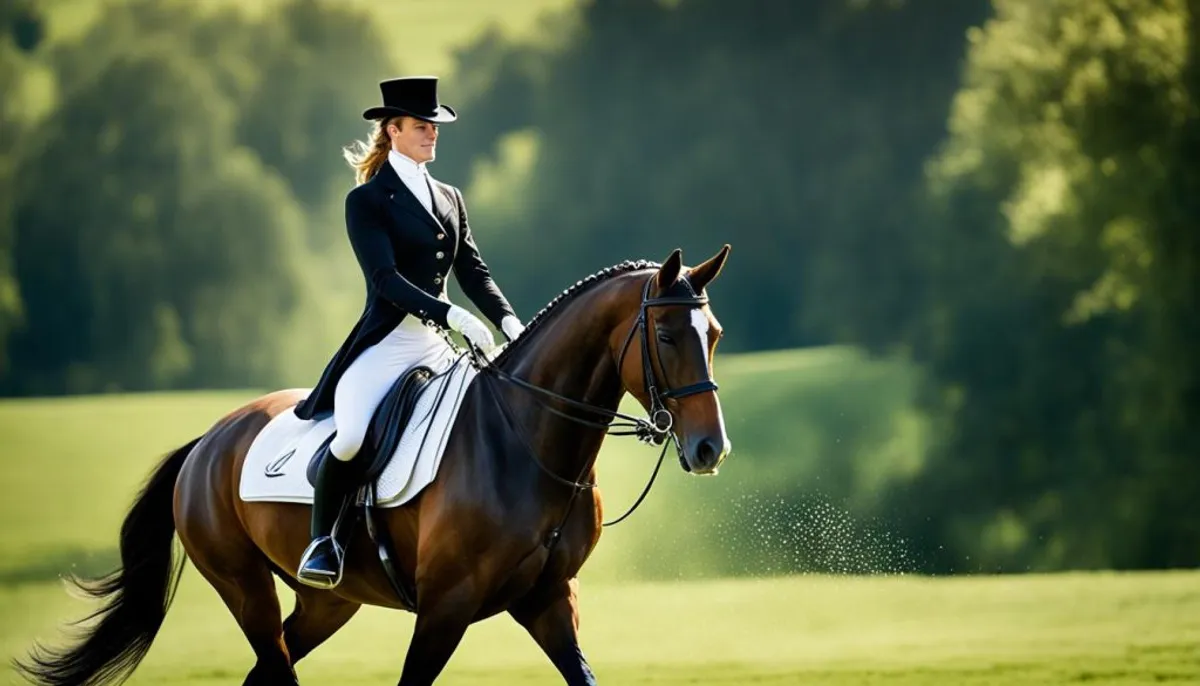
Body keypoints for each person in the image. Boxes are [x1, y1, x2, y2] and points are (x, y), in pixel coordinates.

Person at [291, 76, 525, 589]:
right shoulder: (367, 201)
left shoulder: (450, 197)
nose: (432, 134)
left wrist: (511, 323)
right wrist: (451, 316)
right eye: (422, 126)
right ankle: (321, 542)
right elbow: (385, 281)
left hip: (438, 349)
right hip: (387, 345)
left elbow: (475, 274)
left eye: (435, 127)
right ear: (392, 130)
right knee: (351, 437)